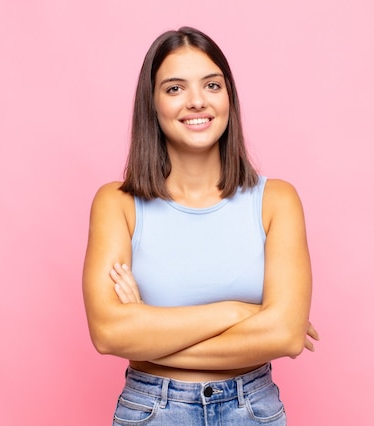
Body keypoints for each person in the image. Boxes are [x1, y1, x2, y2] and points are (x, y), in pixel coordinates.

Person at [82, 26, 318, 425]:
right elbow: (108, 333)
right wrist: (238, 312)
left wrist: (148, 333)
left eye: (211, 85)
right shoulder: (117, 204)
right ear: (152, 104)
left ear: (229, 98)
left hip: (251, 410)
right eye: (175, 89)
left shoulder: (276, 200)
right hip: (153, 411)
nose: (196, 102)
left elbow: (285, 335)